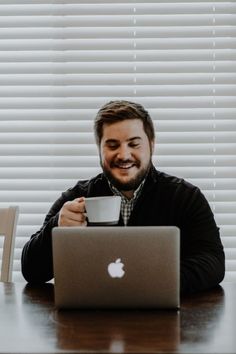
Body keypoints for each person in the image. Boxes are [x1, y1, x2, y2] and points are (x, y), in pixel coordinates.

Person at [21, 100, 225, 295]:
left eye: (134, 144)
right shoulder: (76, 198)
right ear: (99, 149)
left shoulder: (185, 197)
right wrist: (55, 228)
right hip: (90, 321)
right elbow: (31, 271)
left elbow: (213, 262)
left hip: (162, 319)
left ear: (151, 145)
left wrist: (155, 282)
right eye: (112, 145)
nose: (124, 155)